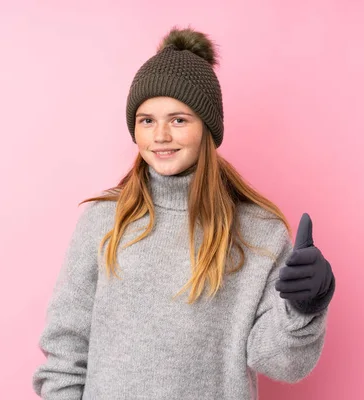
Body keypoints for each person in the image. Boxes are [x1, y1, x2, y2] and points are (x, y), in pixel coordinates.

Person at [32, 26, 336, 400]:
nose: (160, 135)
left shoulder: (259, 232)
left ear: (207, 128)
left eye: (178, 119)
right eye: (147, 120)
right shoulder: (103, 221)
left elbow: (280, 364)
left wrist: (304, 307)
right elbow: (66, 350)